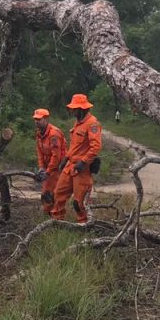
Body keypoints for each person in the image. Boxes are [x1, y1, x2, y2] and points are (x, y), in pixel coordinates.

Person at [52, 93, 102, 224]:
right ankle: (56, 223)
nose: (72, 111)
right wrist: (65, 158)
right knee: (58, 194)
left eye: (74, 108)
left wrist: (83, 162)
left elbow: (95, 147)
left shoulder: (92, 124)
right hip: (70, 166)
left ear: (82, 108)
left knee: (79, 202)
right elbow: (74, 145)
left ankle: (83, 227)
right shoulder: (78, 122)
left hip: (82, 169)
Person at [33, 108, 66, 217]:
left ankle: (57, 220)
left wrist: (48, 172)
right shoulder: (39, 134)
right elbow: (39, 152)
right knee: (46, 194)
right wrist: (41, 167)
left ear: (46, 119)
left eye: (39, 119)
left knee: (54, 195)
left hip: (57, 169)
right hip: (48, 168)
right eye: (35, 119)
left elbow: (56, 156)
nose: (36, 122)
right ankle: (49, 217)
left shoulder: (54, 134)